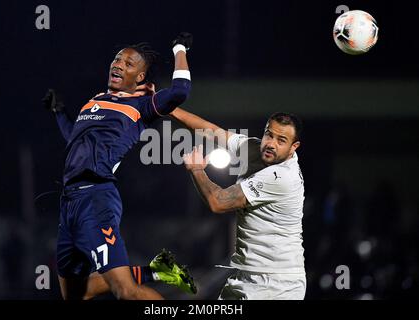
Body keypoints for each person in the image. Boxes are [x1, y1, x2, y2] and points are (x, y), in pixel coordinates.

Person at [42, 33, 196, 300]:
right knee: (76, 295)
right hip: (69, 203)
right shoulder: (94, 101)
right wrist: (59, 112)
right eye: (117, 59)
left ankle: (155, 278)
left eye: (128, 63)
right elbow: (75, 139)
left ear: (139, 77)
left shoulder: (141, 106)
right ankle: (156, 271)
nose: (118, 64)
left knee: (125, 292)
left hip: (96, 199)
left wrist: (179, 48)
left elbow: (181, 90)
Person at [171, 107, 306, 300]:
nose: (271, 144)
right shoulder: (254, 148)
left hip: (277, 285)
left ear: (294, 147)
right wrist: (167, 107)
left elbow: (217, 202)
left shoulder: (281, 176)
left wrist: (197, 169)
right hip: (246, 277)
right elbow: (210, 130)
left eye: (281, 140)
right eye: (269, 135)